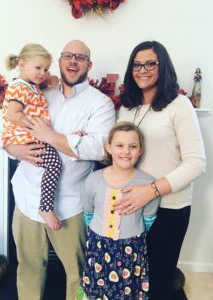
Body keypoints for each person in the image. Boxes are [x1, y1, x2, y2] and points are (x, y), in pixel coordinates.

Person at [5, 40, 115, 300]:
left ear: (89, 65)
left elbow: (99, 149)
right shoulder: (39, 92)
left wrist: (52, 136)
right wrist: (12, 149)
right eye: (68, 55)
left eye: (80, 57)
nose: (73, 61)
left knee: (77, 272)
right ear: (60, 61)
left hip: (68, 205)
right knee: (28, 267)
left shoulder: (101, 104)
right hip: (27, 197)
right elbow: (6, 126)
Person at [116, 41, 206, 300]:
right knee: (129, 279)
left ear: (162, 66)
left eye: (150, 63)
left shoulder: (180, 105)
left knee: (156, 283)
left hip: (169, 208)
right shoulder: (127, 106)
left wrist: (152, 191)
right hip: (130, 206)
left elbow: (196, 162)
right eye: (136, 64)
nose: (142, 69)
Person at [78, 122, 160, 299]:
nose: (126, 151)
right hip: (98, 247)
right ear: (109, 148)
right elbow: (88, 212)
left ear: (140, 151)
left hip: (131, 249)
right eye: (120, 145)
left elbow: (149, 218)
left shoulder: (148, 184)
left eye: (133, 146)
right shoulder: (93, 180)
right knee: (96, 290)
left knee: (126, 292)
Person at [2, 43, 62, 230]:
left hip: (30, 137)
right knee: (54, 164)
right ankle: (45, 207)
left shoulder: (29, 86)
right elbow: (13, 114)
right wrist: (37, 128)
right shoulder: (20, 87)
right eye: (38, 68)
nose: (42, 72)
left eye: (46, 69)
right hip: (26, 138)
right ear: (22, 64)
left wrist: (47, 79)